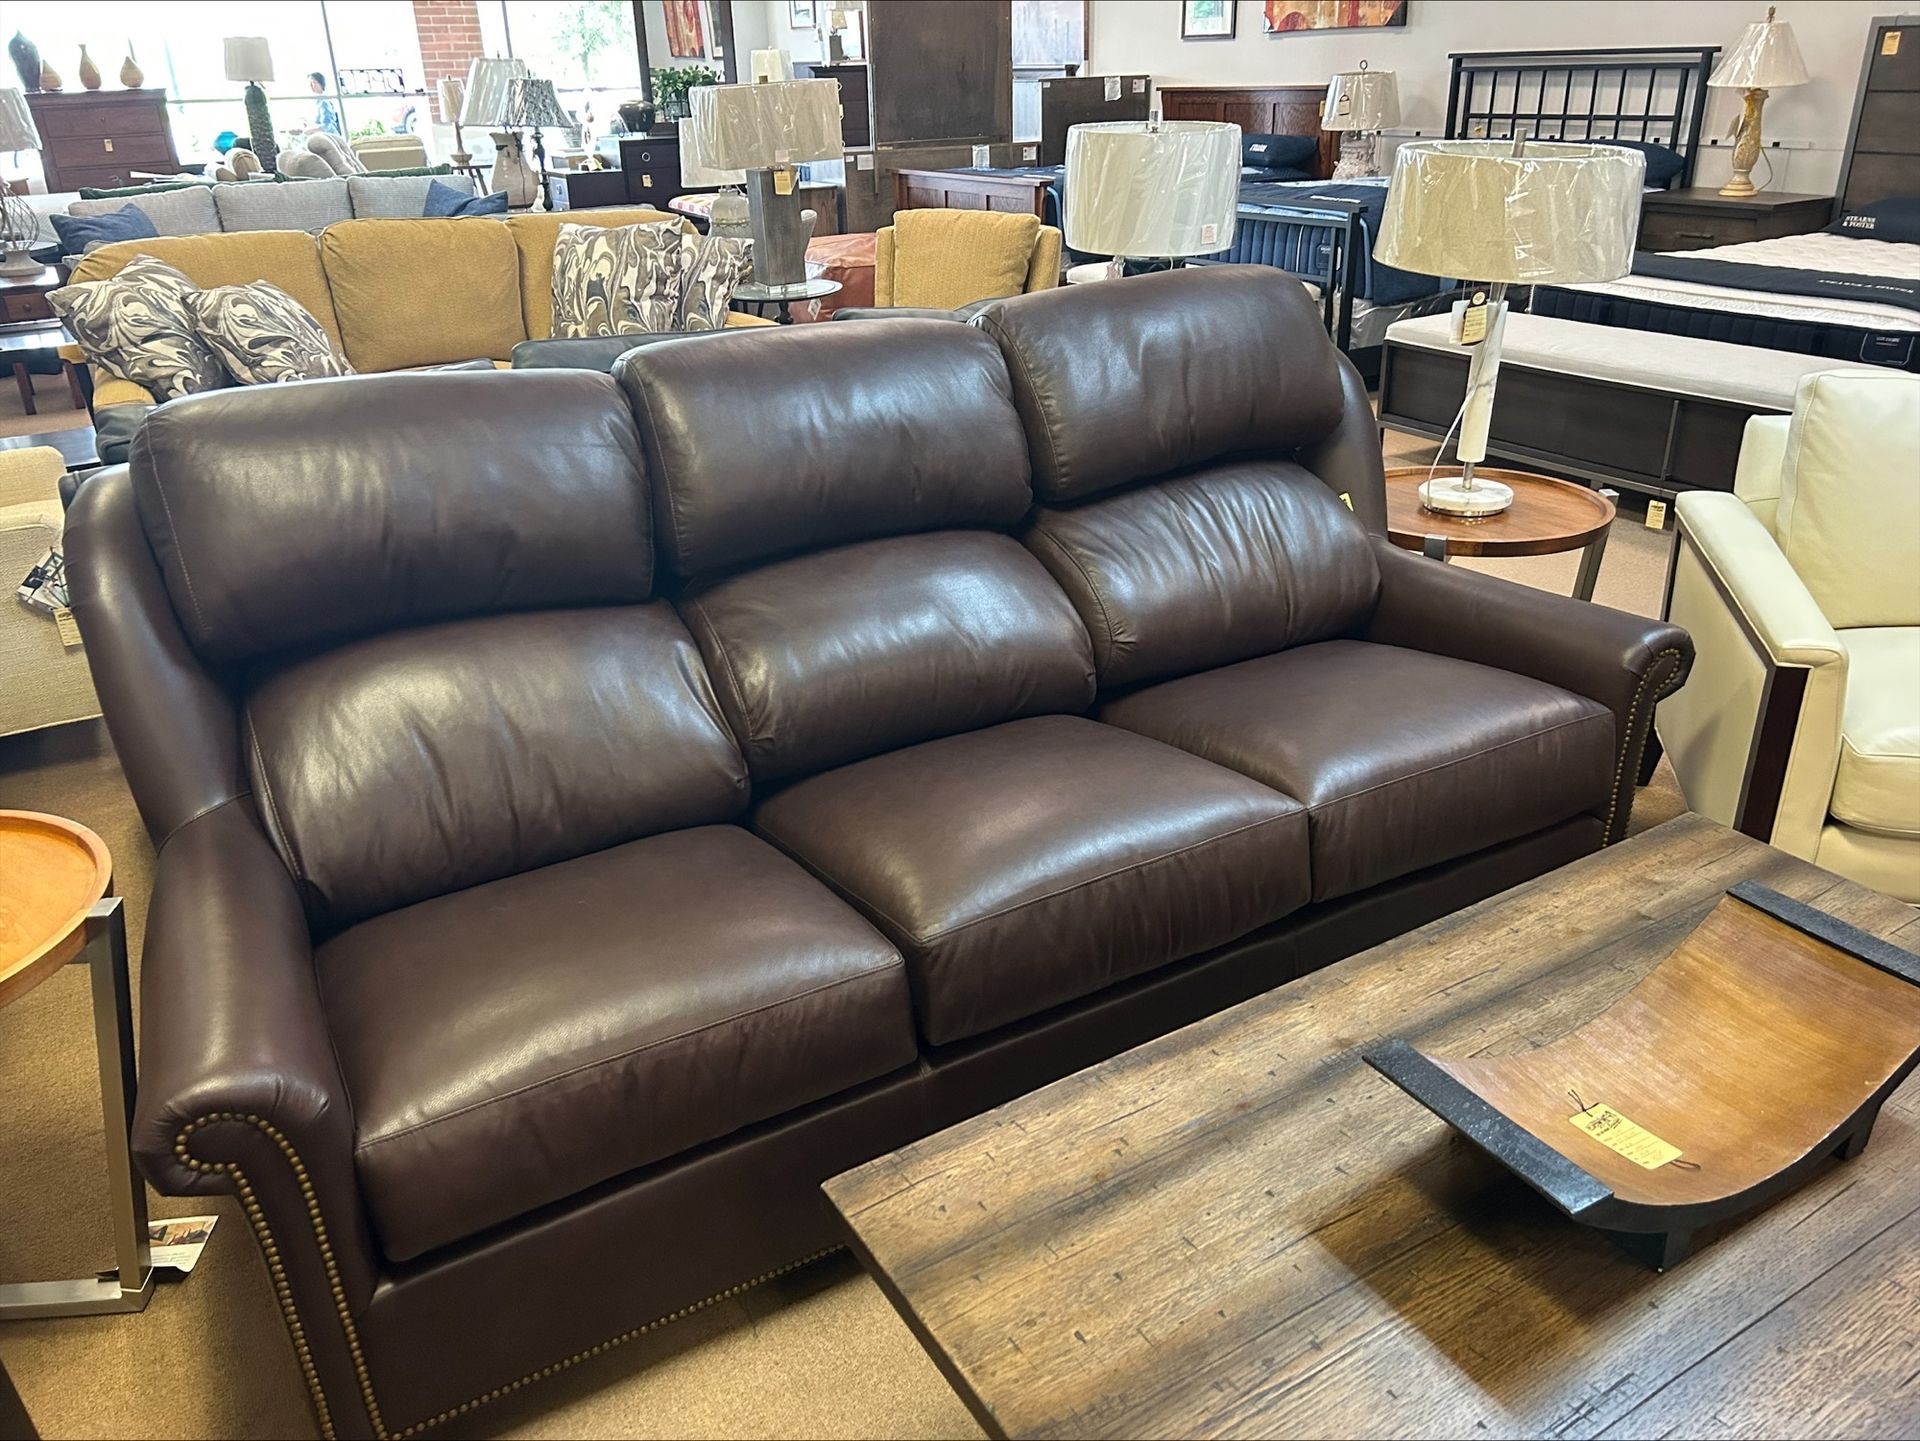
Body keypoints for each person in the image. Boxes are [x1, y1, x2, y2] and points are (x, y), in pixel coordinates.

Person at [309, 71, 342, 136]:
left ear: (321, 84)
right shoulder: (318, 103)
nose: (310, 86)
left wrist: (307, 131)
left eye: (313, 83)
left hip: (329, 140)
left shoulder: (324, 102)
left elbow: (327, 125)